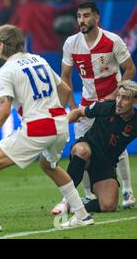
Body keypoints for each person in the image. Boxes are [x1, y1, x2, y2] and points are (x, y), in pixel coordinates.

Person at [0, 24, 93, 234]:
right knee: (48, 166)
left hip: (38, 128)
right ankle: (82, 215)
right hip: (60, 124)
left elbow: (4, 111)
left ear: (2, 44)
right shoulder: (39, 59)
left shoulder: (6, 70)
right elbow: (66, 90)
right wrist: (57, 111)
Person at [52, 1, 136, 215]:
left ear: (96, 18)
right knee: (81, 150)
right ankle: (88, 195)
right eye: (79, 16)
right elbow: (65, 77)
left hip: (112, 104)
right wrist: (72, 106)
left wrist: (116, 96)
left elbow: (129, 70)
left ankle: (127, 190)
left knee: (117, 145)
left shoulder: (112, 40)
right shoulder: (71, 43)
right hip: (87, 105)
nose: (82, 20)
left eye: (87, 16)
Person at [56, 80, 137, 214]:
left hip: (105, 164)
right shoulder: (105, 106)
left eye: (125, 98)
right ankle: (65, 200)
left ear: (134, 102)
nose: (119, 101)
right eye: (118, 96)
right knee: (82, 151)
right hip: (88, 147)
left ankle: (76, 206)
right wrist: (58, 128)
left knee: (108, 206)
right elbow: (78, 113)